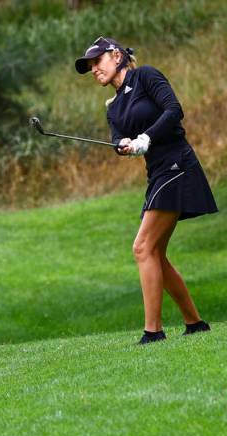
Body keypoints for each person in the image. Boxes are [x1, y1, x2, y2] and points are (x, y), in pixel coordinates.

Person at [75, 37, 218, 345]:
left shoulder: (146, 76)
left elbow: (174, 110)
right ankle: (195, 323)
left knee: (142, 248)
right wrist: (123, 145)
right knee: (155, 254)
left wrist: (146, 137)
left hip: (178, 163)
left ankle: (153, 332)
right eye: (89, 67)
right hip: (157, 172)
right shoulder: (113, 106)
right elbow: (118, 138)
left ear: (116, 56)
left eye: (96, 62)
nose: (93, 70)